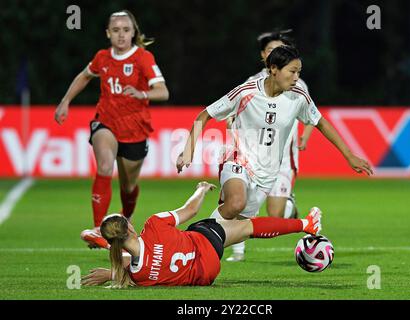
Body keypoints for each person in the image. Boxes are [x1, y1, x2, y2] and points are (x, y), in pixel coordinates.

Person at [176, 45, 372, 262]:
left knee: (237, 226)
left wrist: (349, 155)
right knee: (235, 202)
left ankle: (195, 250)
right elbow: (205, 115)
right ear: (273, 69)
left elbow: (321, 123)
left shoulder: (298, 97)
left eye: (299, 72)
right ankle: (190, 249)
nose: (297, 77)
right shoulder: (246, 91)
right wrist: (188, 150)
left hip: (267, 172)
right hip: (238, 157)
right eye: (292, 71)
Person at [55, 10, 169, 249]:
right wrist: (65, 101)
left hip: (136, 129)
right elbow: (85, 76)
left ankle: (125, 218)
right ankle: (98, 229)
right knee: (105, 165)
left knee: (128, 187)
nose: (121, 35)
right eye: (116, 30)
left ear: (133, 33)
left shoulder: (143, 57)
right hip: (105, 122)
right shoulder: (102, 57)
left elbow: (163, 91)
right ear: (108, 33)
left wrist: (142, 93)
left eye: (126, 30)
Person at [81, 181, 322, 288]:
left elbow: (128, 261)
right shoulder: (153, 226)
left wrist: (110, 272)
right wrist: (201, 189)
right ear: (130, 227)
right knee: (247, 226)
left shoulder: (138, 274)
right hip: (204, 242)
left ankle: (300, 221)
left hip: (205, 275)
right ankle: (305, 223)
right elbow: (190, 209)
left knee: (234, 223)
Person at [224, 29, 316, 261]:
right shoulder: (252, 83)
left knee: (275, 213)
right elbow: (233, 108)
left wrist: (305, 135)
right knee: (241, 202)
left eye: (279, 49)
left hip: (283, 157)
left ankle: (289, 206)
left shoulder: (296, 82)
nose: (274, 53)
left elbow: (313, 114)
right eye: (270, 50)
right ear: (264, 56)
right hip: (254, 157)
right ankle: (238, 251)